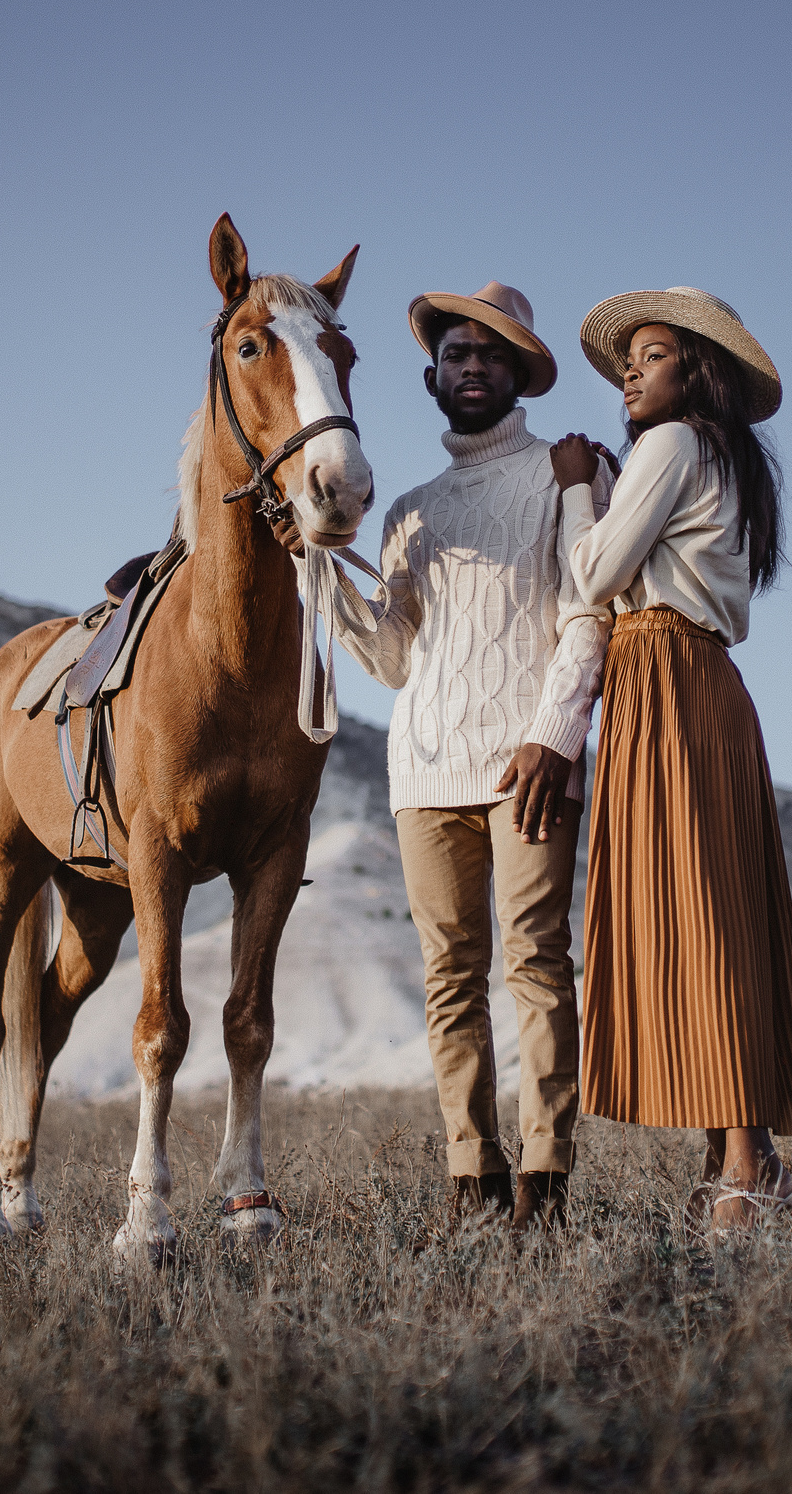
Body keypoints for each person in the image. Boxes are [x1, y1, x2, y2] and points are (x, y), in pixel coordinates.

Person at [320, 280, 614, 1229]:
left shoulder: (567, 474)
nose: (473, 367)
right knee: (449, 977)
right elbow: (397, 657)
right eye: (457, 355)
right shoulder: (407, 510)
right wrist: (317, 567)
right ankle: (470, 1178)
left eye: (490, 354)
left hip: (527, 760)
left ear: (518, 370)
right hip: (425, 767)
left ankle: (547, 1180)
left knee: (535, 961)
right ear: (431, 376)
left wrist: (553, 736)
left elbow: (590, 614)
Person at [548, 287, 792, 1233]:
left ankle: (746, 1166)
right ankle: (736, 1159)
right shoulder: (718, 458)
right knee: (716, 913)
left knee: (697, 917)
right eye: (630, 355)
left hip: (661, 676)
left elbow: (591, 572)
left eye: (653, 352)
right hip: (697, 682)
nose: (631, 367)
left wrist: (578, 488)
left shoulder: (672, 446)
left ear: (697, 369)